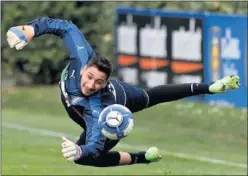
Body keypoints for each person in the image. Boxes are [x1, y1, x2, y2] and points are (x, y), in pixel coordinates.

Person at [6, 17, 240, 167]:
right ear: (85, 67)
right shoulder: (82, 56)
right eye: (89, 77)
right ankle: (144, 158)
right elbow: (66, 27)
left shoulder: (97, 109)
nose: (90, 85)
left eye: (98, 82)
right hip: (106, 101)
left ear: (106, 82)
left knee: (89, 157)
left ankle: (208, 88)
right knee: (87, 159)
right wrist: (30, 29)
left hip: (118, 101)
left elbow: (95, 145)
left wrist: (80, 150)